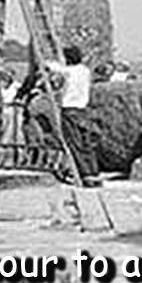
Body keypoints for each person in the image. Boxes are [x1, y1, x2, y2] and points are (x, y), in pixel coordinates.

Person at [47, 45, 100, 187]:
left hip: (69, 110)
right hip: (83, 110)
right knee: (85, 142)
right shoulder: (85, 71)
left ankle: (85, 174)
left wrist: (48, 62)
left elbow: (53, 67)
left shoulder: (68, 71)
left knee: (73, 143)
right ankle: (93, 172)